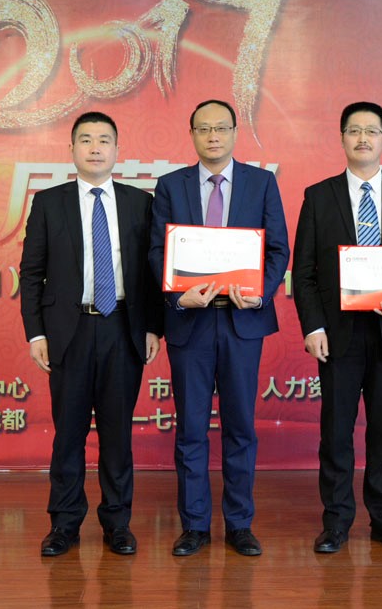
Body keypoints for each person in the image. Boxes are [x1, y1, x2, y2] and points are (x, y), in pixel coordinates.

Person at [149, 99, 289, 557]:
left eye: (221, 128)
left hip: (241, 322)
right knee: (191, 428)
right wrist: (177, 296)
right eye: (204, 129)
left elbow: (278, 250)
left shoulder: (261, 183)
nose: (213, 136)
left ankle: (239, 524)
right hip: (190, 321)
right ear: (192, 134)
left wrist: (260, 293)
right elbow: (157, 251)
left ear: (234, 133)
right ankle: (194, 526)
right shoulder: (170, 185)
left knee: (240, 428)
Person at [20, 111, 163, 557]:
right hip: (70, 331)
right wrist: (36, 334)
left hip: (123, 328)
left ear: (117, 149)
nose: (95, 147)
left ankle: (117, 524)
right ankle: (64, 524)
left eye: (104, 140)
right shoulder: (49, 202)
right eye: (86, 139)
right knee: (69, 434)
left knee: (118, 435)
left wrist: (153, 326)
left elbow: (152, 272)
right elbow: (31, 273)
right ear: (72, 149)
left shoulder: (140, 203)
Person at [292, 101, 382, 554]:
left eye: (372, 131)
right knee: (336, 432)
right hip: (338, 336)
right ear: (342, 138)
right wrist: (313, 327)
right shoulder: (319, 196)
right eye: (354, 130)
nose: (363, 138)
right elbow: (304, 272)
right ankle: (336, 522)